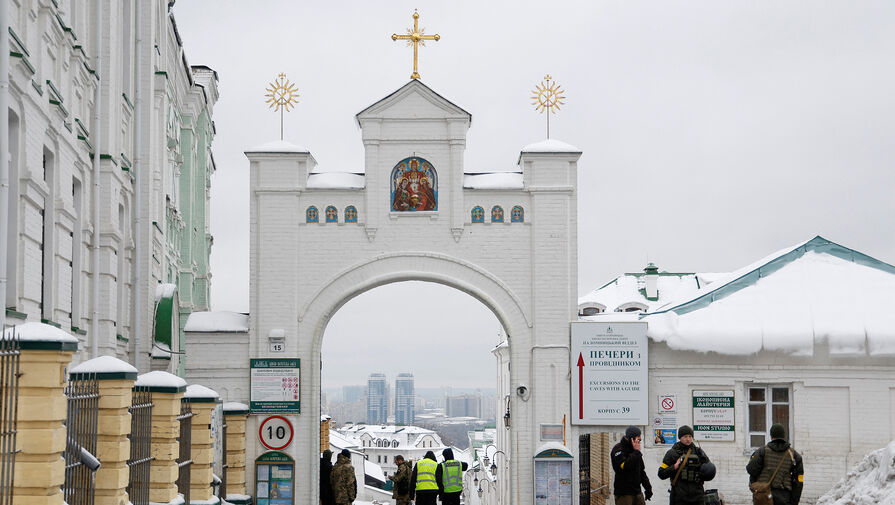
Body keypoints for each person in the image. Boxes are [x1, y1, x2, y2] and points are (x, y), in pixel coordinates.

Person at [747, 424, 804, 505]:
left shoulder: (762, 451)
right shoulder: (794, 455)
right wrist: (794, 502)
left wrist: (755, 489)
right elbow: (799, 481)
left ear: (771, 436)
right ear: (784, 436)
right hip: (784, 497)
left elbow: (751, 470)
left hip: (763, 496)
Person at [657, 426, 711, 505]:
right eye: (685, 436)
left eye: (690, 436)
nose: (688, 439)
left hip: (697, 497)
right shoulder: (672, 453)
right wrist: (674, 467)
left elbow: (708, 470)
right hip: (679, 498)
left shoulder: (698, 452)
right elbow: (661, 473)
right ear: (680, 437)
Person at [611, 425, 653, 505]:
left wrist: (648, 489)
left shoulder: (635, 451)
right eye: (638, 437)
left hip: (637, 492)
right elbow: (625, 466)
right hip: (624, 494)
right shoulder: (618, 450)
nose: (640, 439)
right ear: (632, 438)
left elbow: (641, 471)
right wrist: (636, 452)